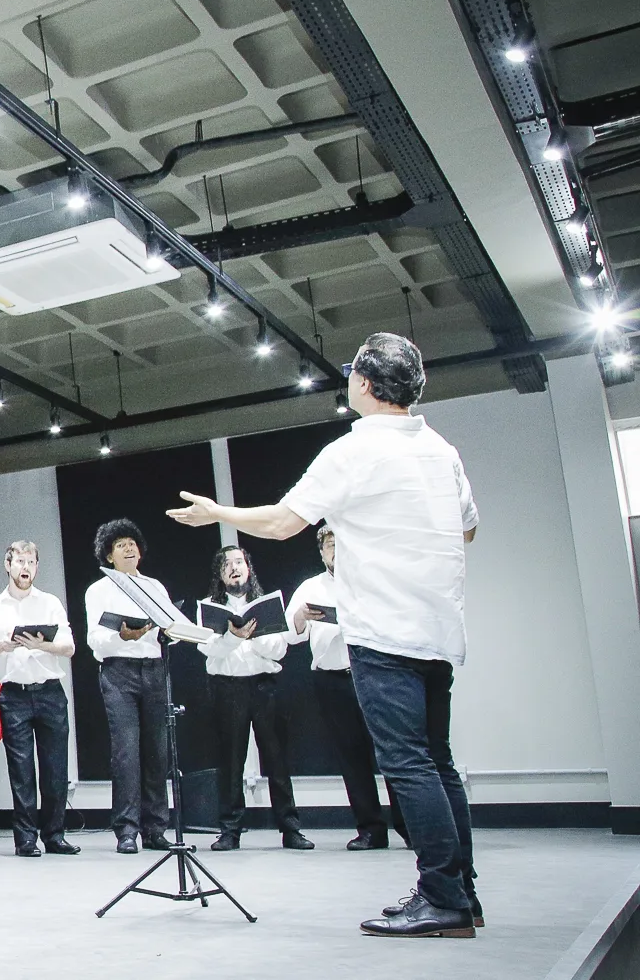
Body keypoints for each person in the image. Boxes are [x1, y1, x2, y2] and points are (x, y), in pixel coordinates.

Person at [169, 332, 480, 939]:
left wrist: (219, 514)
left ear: (364, 383)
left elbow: (285, 522)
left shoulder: (355, 450)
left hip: (385, 633)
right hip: (437, 630)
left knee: (409, 764)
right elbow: (466, 531)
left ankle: (443, 898)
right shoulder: (442, 450)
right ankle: (460, 891)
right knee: (436, 761)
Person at [287, 526, 397, 851]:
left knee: (392, 753)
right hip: (331, 679)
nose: (334, 550)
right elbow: (290, 633)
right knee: (351, 757)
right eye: (329, 545)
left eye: (339, 543)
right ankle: (371, 830)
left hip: (372, 674)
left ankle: (410, 826)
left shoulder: (369, 582)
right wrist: (301, 617)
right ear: (321, 553)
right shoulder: (311, 587)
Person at [198, 546, 310, 852]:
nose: (234, 569)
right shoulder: (209, 606)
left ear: (249, 568)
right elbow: (209, 649)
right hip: (227, 687)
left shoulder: (267, 604)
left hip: (264, 685)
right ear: (220, 575)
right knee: (230, 760)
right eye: (227, 565)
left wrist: (251, 636)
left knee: (276, 758)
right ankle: (230, 831)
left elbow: (279, 649)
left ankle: (291, 829)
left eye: (239, 563)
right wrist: (234, 636)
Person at [0, 540, 77, 858]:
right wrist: (2, 645)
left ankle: (55, 835)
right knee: (21, 769)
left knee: (55, 768)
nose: (25, 567)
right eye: (19, 561)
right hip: (13, 695)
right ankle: (26, 839)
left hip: (49, 692)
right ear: (7, 565)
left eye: (31, 561)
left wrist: (40, 645)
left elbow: (69, 646)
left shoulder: (49, 603)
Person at [83, 519, 173, 855]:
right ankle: (127, 830)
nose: (129, 548)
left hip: (154, 669)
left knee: (157, 752)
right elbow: (95, 639)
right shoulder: (99, 590)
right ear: (108, 555)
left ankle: (156, 827)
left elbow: (170, 624)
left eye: (132, 543)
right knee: (126, 753)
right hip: (118, 671)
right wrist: (121, 635)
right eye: (120, 545)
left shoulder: (154, 586)